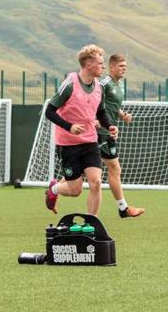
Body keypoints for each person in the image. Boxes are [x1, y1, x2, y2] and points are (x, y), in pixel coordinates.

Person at [44, 44, 118, 216]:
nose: (103, 67)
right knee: (75, 190)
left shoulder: (99, 87)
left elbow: (100, 112)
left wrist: (109, 126)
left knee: (96, 182)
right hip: (68, 145)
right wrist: (69, 127)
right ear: (88, 64)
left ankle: (92, 223)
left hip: (90, 142)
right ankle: (54, 189)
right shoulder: (70, 85)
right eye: (100, 63)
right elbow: (49, 111)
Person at [98, 54, 144, 218]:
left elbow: (112, 106)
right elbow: (95, 104)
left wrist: (123, 115)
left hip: (108, 131)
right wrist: (97, 122)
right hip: (100, 132)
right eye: (121, 66)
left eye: (125, 66)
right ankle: (123, 208)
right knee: (114, 168)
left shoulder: (120, 84)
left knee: (85, 169)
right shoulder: (103, 84)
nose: (124, 68)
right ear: (111, 67)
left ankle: (55, 189)